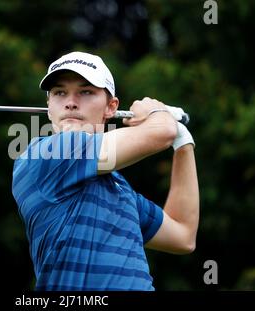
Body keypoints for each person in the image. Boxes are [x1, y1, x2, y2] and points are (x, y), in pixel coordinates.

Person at [12, 51, 199, 291]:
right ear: (49, 107)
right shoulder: (45, 156)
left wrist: (183, 143)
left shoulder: (118, 187)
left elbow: (183, 236)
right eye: (60, 93)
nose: (70, 101)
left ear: (111, 107)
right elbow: (160, 133)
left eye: (86, 91)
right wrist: (159, 114)